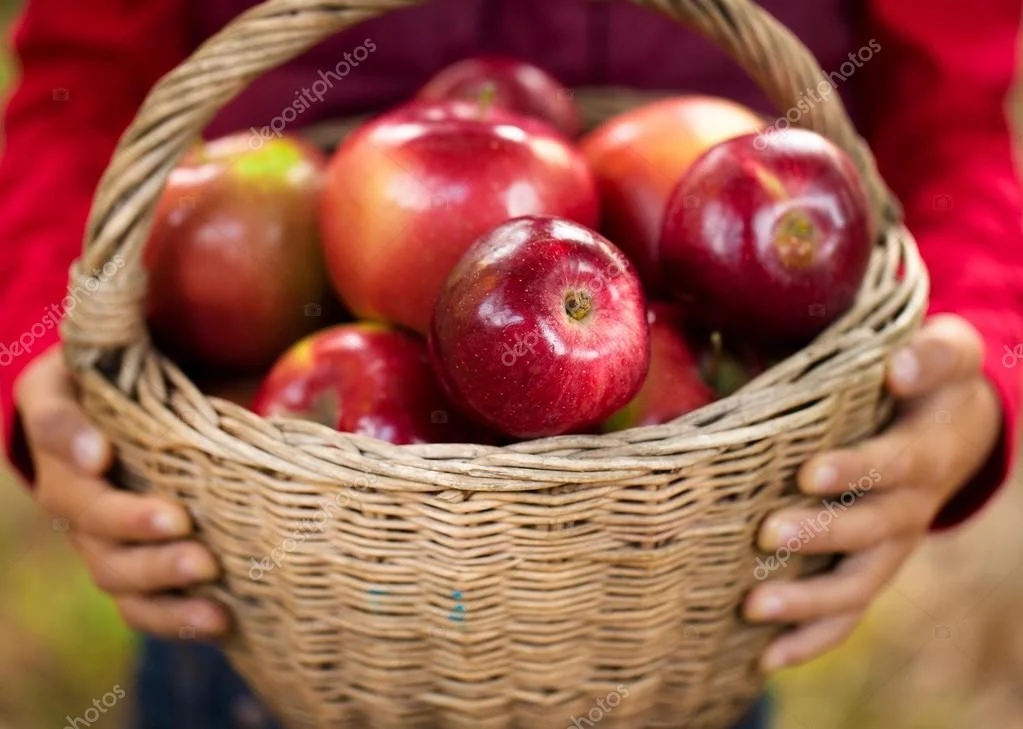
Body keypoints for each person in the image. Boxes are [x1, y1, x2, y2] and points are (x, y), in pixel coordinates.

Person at [2, 0, 1021, 727]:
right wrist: (52, 345)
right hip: (261, 543)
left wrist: (977, 360)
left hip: (676, 561)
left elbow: (951, 99)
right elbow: (77, 76)